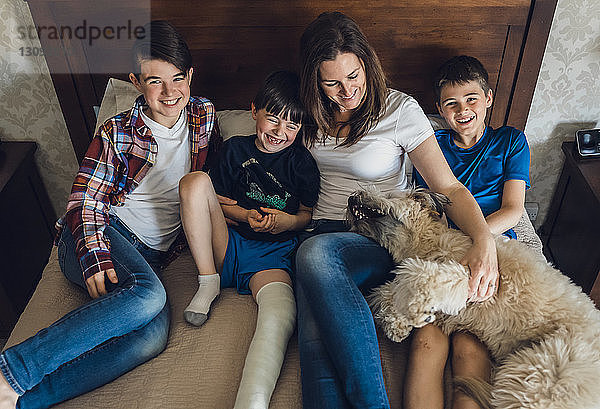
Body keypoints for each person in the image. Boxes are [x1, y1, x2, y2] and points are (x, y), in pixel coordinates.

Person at [0, 20, 221, 409]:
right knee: (150, 296)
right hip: (100, 232)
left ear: (191, 76)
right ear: (136, 82)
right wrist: (94, 255)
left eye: (177, 79)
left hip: (152, 253)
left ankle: (22, 401)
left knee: (151, 338)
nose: (170, 93)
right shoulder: (117, 131)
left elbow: (214, 179)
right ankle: (12, 370)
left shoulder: (204, 115)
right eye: (155, 82)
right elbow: (84, 200)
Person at [294, 12, 499, 409]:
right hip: (324, 230)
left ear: (367, 65)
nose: (347, 90)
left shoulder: (398, 109)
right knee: (314, 333)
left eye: (354, 76)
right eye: (332, 82)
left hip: (383, 233)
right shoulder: (306, 112)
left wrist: (483, 239)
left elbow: (447, 186)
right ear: (314, 81)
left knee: (314, 255)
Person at [178, 70, 320, 409]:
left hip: (272, 253)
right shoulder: (234, 150)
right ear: (254, 110)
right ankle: (207, 280)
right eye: (273, 119)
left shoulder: (301, 162)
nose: (280, 133)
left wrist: (286, 222)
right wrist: (247, 216)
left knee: (279, 314)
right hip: (226, 243)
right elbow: (217, 204)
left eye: (292, 126)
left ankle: (251, 401)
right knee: (195, 182)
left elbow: (306, 215)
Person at [408, 55, 530, 409]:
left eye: (472, 99)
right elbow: (427, 206)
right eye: (452, 104)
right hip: (446, 250)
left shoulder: (510, 141)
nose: (463, 110)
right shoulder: (433, 146)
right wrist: (454, 245)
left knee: (468, 344)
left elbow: (513, 210)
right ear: (440, 110)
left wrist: (478, 240)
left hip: (494, 248)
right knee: (427, 340)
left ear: (489, 98)